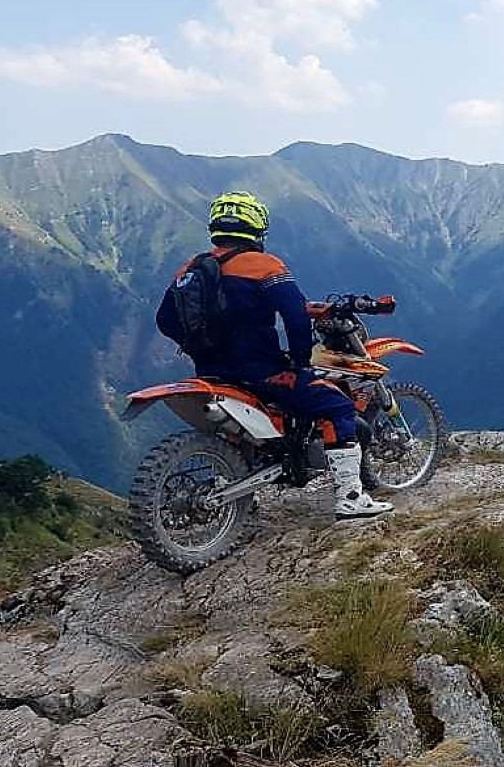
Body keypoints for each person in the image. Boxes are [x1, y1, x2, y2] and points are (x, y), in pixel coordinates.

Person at [156, 191, 393, 520]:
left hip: (211, 372)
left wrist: (202, 344)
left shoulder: (192, 267)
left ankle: (247, 489)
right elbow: (295, 316)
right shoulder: (265, 265)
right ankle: (351, 497)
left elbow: (165, 320)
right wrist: (299, 361)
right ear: (255, 227)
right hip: (260, 371)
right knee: (337, 406)